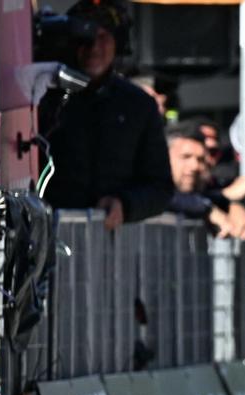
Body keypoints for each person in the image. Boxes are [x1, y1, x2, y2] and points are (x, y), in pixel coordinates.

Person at [37, 0, 173, 229]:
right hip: (44, 235)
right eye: (84, 39)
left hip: (107, 248)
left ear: (118, 43)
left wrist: (125, 205)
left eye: (103, 37)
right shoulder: (42, 92)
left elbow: (160, 189)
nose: (93, 48)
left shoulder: (138, 105)